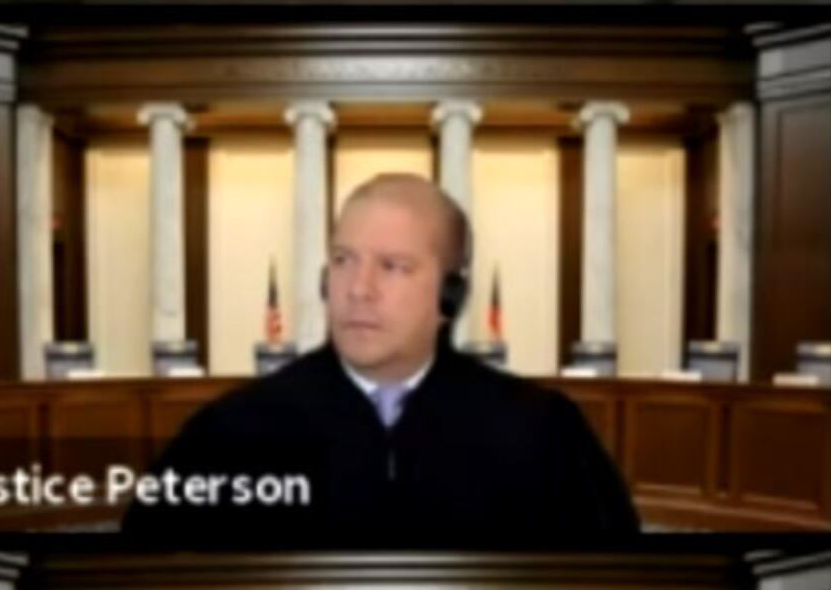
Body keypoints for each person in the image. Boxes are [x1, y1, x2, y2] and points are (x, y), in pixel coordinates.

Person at [125, 176, 642, 544]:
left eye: (393, 267)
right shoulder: (230, 432)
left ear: (451, 296)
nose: (358, 289)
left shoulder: (542, 432)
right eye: (344, 260)